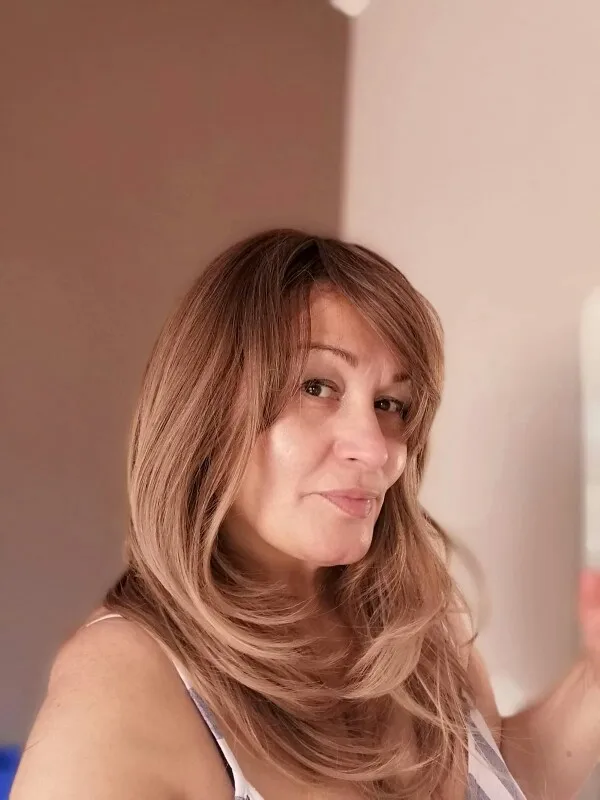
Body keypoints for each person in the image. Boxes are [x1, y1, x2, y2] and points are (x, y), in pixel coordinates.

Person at [10, 230, 600, 800]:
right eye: (316, 387)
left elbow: (498, 773)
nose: (376, 448)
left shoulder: (419, 619)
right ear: (205, 408)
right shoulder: (125, 678)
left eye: (390, 403)